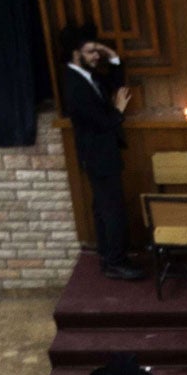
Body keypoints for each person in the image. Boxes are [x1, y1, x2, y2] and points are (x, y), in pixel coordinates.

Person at [57, 23, 139, 280]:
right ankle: (115, 261)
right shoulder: (74, 85)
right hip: (97, 156)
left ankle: (107, 255)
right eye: (92, 51)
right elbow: (102, 123)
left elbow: (115, 78)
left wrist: (109, 52)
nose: (97, 56)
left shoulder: (86, 75)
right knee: (111, 209)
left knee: (103, 207)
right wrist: (118, 110)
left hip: (101, 154)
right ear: (75, 53)